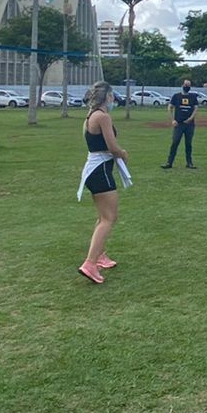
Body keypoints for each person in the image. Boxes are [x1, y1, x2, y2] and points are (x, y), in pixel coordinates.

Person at [77, 82, 131, 284]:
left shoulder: (91, 115)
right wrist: (122, 153)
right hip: (100, 171)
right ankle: (90, 263)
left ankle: (99, 255)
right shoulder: (103, 117)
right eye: (111, 95)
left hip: (95, 170)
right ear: (107, 96)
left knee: (102, 217)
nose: (113, 98)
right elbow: (112, 147)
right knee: (109, 218)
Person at [162, 76, 199, 169]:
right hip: (178, 124)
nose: (187, 86)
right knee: (175, 143)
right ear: (182, 85)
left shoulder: (193, 97)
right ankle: (169, 162)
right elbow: (170, 107)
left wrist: (190, 118)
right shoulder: (176, 96)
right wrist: (172, 120)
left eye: (188, 85)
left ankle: (189, 163)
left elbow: (196, 108)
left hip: (189, 125)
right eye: (186, 84)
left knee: (188, 144)